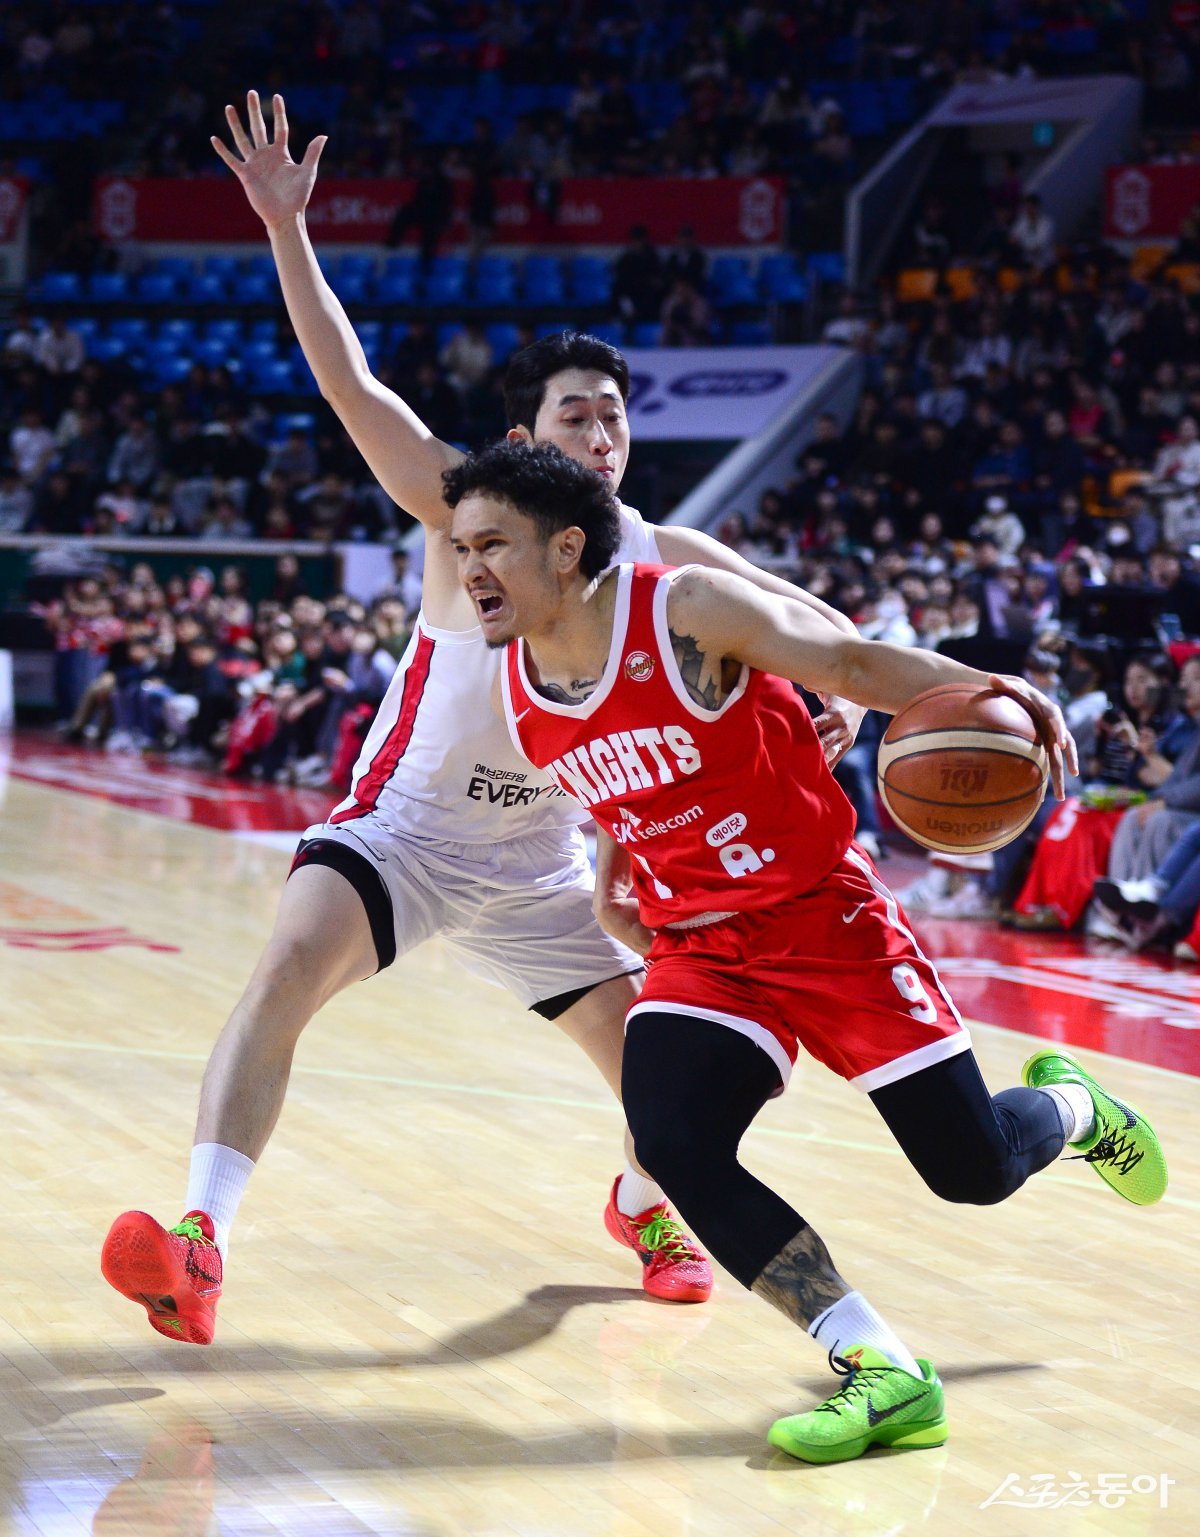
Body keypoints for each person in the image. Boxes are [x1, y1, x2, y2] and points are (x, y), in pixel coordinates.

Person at [101, 91, 868, 1346]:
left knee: (682, 1080)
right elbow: (350, 383)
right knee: (285, 970)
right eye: (577, 414)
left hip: (545, 868)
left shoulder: (666, 556)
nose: (603, 432)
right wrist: (287, 229)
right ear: (526, 436)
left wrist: (843, 701)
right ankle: (200, 1239)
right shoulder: (462, 507)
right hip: (404, 834)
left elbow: (817, 625)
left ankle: (641, 1206)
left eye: (614, 413)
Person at [445, 437, 1168, 1464]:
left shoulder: (685, 609)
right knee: (671, 1137)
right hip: (702, 942)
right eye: (461, 547)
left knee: (972, 1170)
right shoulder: (518, 690)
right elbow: (622, 781)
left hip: (825, 919)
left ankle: (1075, 1109)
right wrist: (613, 872)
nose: (470, 567)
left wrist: (990, 688)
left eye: (492, 545)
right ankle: (879, 1366)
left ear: (565, 548)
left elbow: (852, 665)